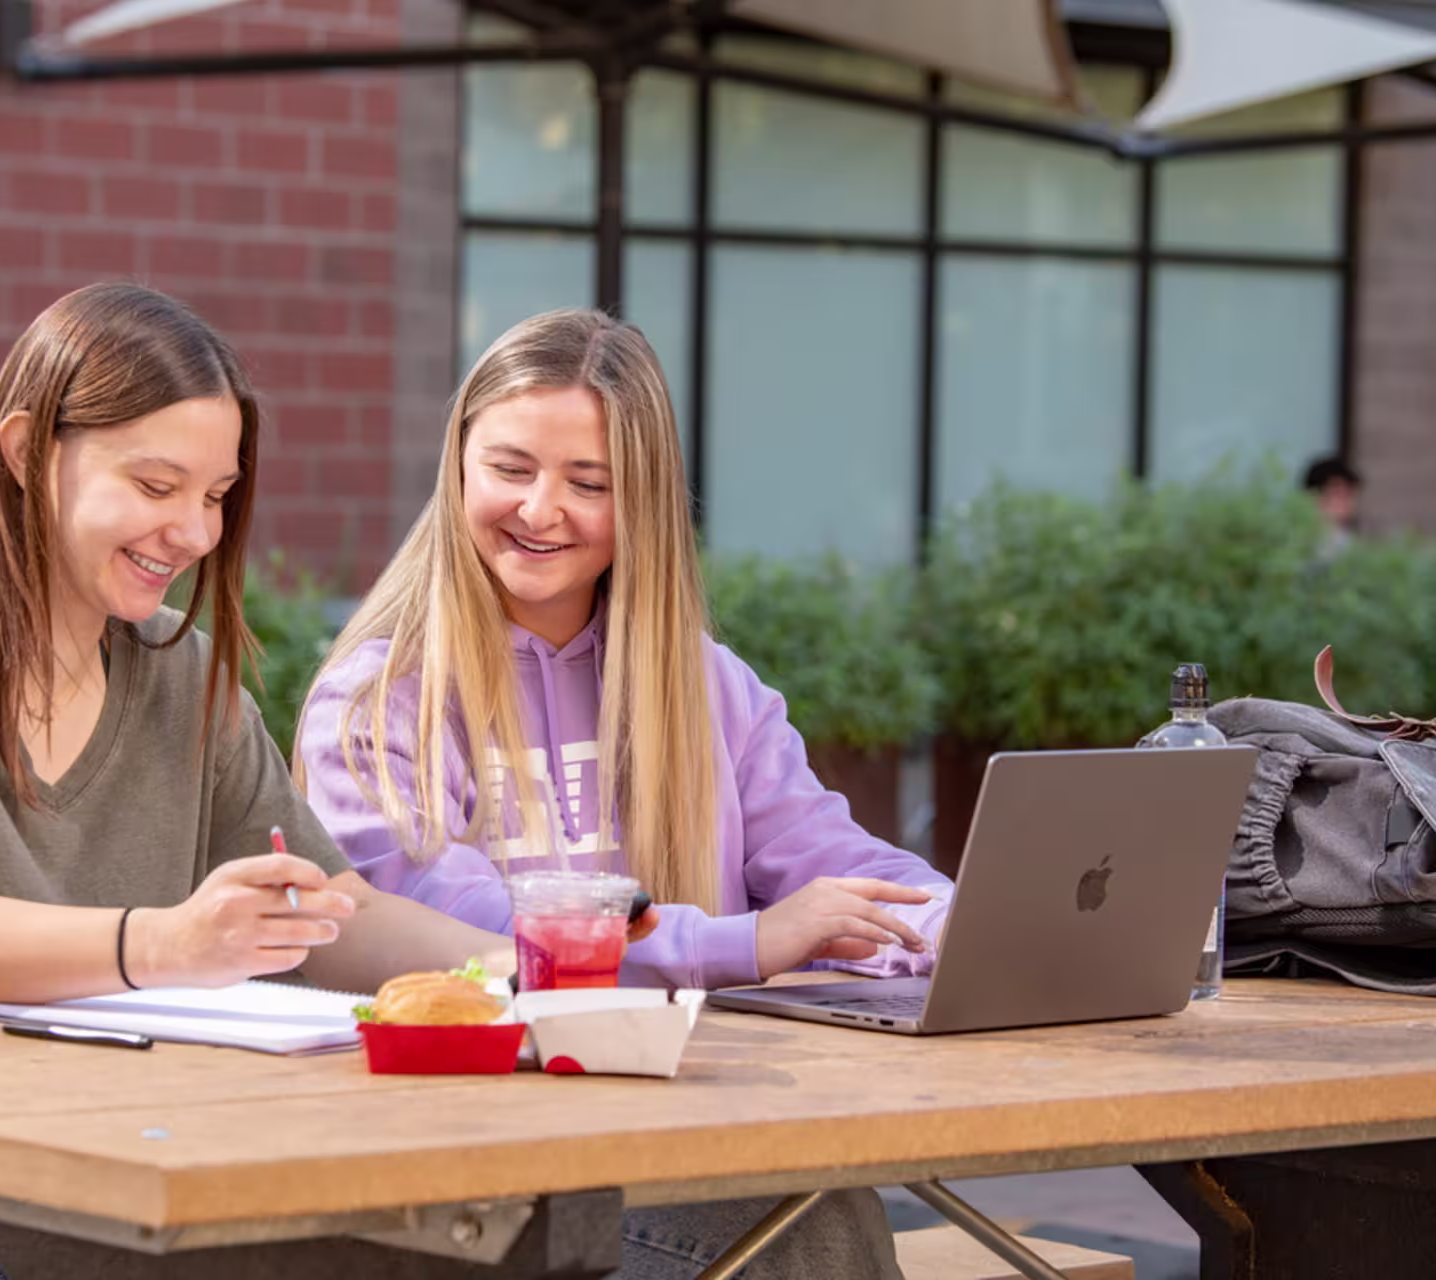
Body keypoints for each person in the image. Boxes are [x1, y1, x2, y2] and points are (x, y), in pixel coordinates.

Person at [0, 283, 512, 1280]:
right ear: (27, 452)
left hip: (93, 1195)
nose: (195, 532)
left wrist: (540, 971)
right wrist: (167, 943)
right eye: (156, 485)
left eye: (216, 496)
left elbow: (333, 911)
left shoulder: (183, 671)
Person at [295, 309, 950, 1277]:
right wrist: (743, 943)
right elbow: (449, 920)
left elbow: (836, 862)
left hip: (678, 1126)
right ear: (459, 467)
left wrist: (966, 923)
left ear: (642, 498)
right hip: (469, 1170)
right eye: (510, 468)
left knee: (822, 1204)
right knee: (807, 1227)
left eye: (588, 482)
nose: (540, 509)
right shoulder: (379, 702)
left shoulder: (709, 687)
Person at [1301, 454, 1362, 557]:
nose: (1347, 501)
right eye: (1338, 494)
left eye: (1350, 494)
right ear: (1315, 496)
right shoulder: (1297, 539)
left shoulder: (1349, 542)